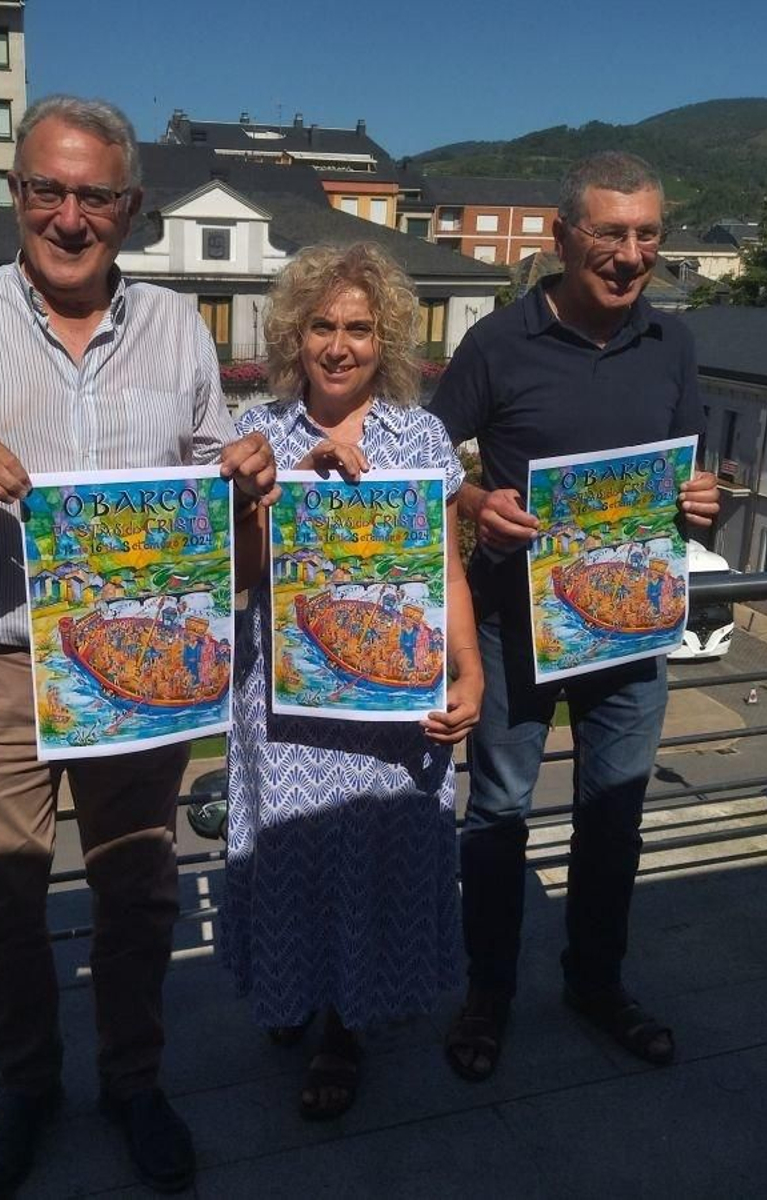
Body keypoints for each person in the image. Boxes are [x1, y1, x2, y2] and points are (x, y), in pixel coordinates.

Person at [0, 95, 277, 1198]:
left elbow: (215, 463)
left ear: (129, 209)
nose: (68, 216)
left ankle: (134, 1080)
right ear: (18, 194)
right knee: (0, 900)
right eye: (47, 190)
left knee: (137, 892)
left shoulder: (178, 324)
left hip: (138, 664)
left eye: (93, 196)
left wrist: (250, 468)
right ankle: (23, 1088)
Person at [427, 151, 721, 1081]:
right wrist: (476, 504)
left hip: (633, 633)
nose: (630, 254)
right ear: (563, 239)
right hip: (515, 628)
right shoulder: (497, 343)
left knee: (614, 816)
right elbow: (429, 460)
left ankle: (597, 983)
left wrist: (703, 500)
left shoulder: (673, 344)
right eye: (609, 233)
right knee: (500, 815)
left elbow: (686, 475)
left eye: (646, 235)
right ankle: (489, 993)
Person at [222, 243, 482, 1120]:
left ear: (388, 340)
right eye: (323, 327)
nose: (339, 346)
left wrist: (470, 674)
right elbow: (240, 579)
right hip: (283, 702)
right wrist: (285, 486)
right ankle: (295, 994)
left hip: (391, 703)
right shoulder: (258, 435)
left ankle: (342, 1026)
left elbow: (446, 567)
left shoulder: (424, 436)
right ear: (296, 336)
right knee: (292, 855)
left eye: (359, 329)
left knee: (369, 857)